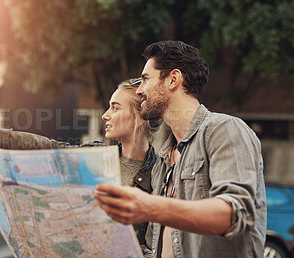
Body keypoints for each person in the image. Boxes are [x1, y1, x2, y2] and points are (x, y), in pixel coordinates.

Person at [0, 78, 164, 252]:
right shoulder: (95, 157)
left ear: (140, 117)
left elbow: (162, 244)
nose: (105, 115)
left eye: (115, 108)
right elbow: (42, 146)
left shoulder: (162, 174)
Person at [94, 41, 266, 258]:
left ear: (173, 79)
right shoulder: (163, 161)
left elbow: (233, 215)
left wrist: (149, 206)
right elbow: (153, 248)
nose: (139, 91)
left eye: (146, 79)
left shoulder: (224, 130)